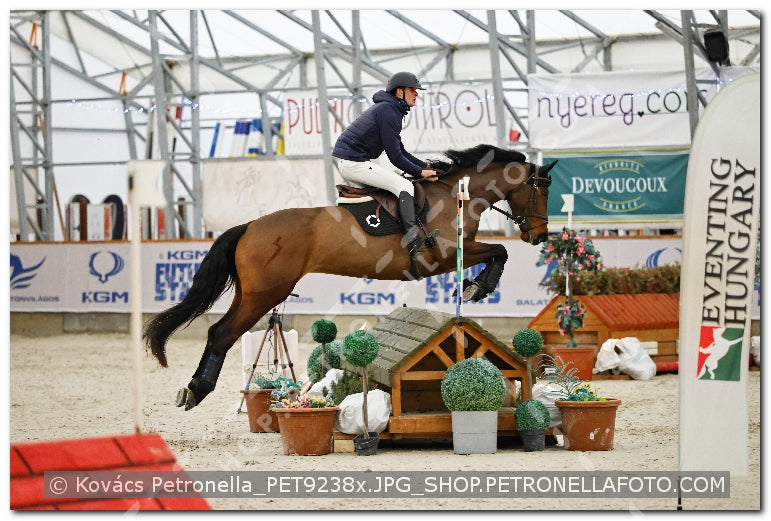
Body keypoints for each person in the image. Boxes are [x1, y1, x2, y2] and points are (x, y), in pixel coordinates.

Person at [332, 71, 438, 260]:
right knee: (405, 185)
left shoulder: (390, 109)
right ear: (399, 92)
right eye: (412, 90)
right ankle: (413, 242)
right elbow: (395, 157)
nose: (417, 93)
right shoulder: (389, 112)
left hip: (353, 160)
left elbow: (401, 151)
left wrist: (425, 166)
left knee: (400, 181)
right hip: (353, 162)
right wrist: (419, 172)